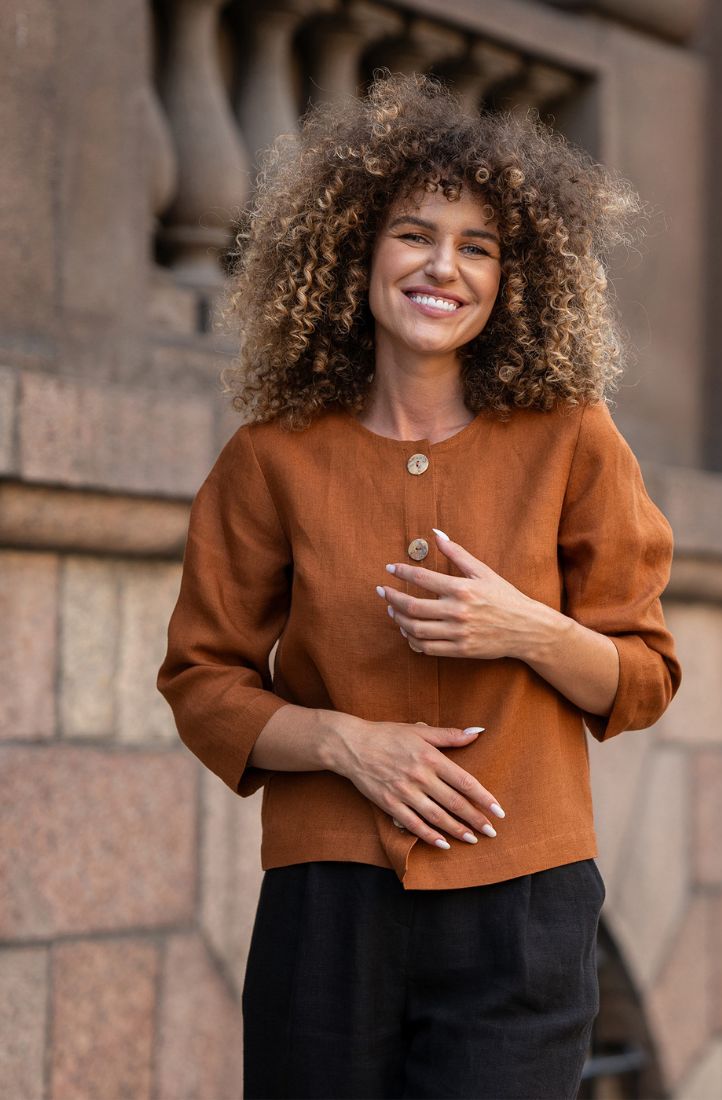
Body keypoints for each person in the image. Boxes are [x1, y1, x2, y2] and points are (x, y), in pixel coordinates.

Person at [156, 72, 682, 1100]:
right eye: (413, 234)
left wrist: (524, 627)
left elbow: (644, 676)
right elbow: (201, 680)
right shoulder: (270, 456)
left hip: (522, 909)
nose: (443, 267)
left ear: (513, 276)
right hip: (326, 903)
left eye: (477, 246)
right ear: (356, 250)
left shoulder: (573, 438)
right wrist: (347, 742)